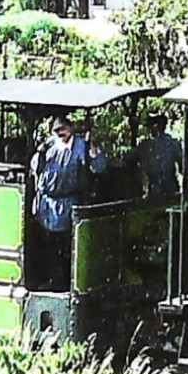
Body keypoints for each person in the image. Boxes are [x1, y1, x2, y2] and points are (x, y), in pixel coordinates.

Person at [30, 115, 106, 291]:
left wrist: (93, 148)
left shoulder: (81, 146)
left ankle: (67, 283)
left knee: (67, 247)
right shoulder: (49, 145)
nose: (59, 133)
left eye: (62, 129)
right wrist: (40, 153)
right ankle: (53, 280)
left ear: (70, 128)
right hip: (47, 204)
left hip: (69, 203)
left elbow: (99, 167)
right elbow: (35, 167)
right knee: (49, 247)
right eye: (56, 130)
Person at [138, 114, 185, 202]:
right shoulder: (146, 146)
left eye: (150, 126)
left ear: (156, 126)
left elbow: (184, 167)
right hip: (154, 191)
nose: (149, 130)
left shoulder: (171, 144)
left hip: (170, 190)